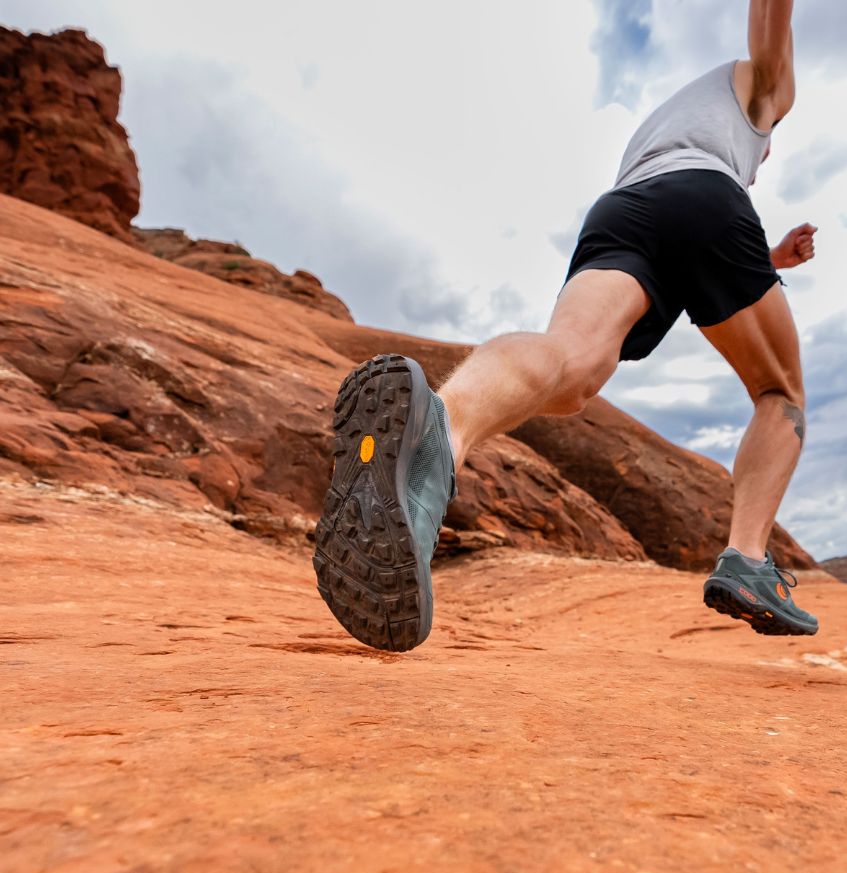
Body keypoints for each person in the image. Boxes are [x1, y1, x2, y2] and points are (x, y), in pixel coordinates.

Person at [313, 0, 819, 653]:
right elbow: (769, 36)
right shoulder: (764, 92)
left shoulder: (669, 121)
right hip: (705, 199)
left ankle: (442, 430)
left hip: (623, 213)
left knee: (572, 367)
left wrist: (768, 258)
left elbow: (693, 236)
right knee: (782, 396)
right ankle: (748, 559)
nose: (767, 149)